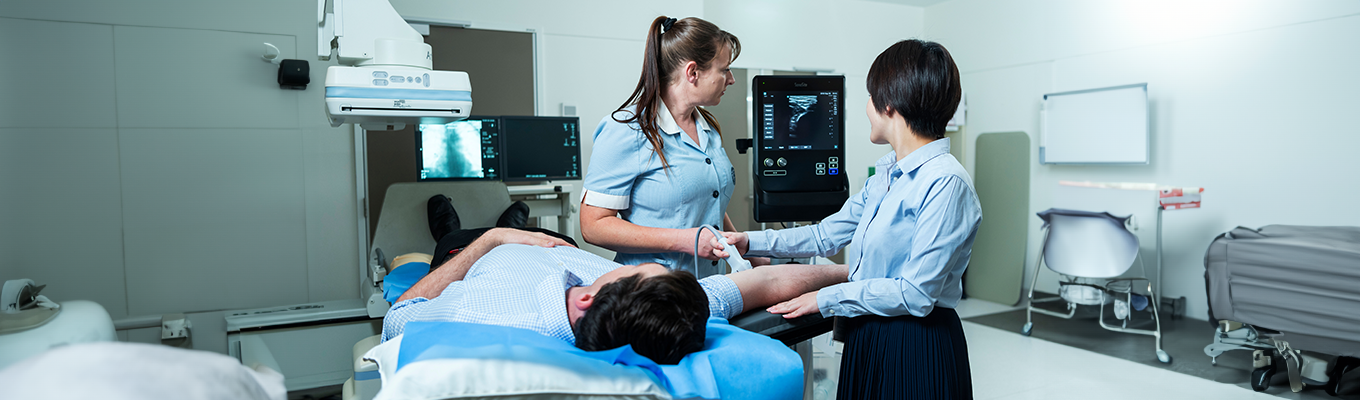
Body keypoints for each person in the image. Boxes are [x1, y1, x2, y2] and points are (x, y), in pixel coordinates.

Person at [717, 39, 981, 398]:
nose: (868, 107)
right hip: (869, 333)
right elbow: (827, 234)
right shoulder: (887, 177)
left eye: (871, 97)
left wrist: (825, 297)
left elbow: (916, 294)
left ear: (889, 104)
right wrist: (750, 241)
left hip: (915, 344)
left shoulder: (945, 183)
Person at [383, 199, 849, 365]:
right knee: (524, 224)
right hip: (558, 247)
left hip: (480, 257)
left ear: (589, 296)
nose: (634, 265)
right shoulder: (658, 309)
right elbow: (768, 281)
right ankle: (513, 218)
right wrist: (856, 273)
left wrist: (492, 241)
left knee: (450, 235)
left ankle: (476, 223)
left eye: (633, 267)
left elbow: (395, 319)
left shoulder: (479, 316)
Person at [580, 16, 753, 274]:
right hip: (656, 295)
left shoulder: (708, 127)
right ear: (693, 72)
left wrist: (743, 251)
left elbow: (710, 203)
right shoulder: (627, 131)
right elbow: (593, 226)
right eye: (724, 69)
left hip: (711, 286)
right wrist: (685, 241)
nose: (731, 79)